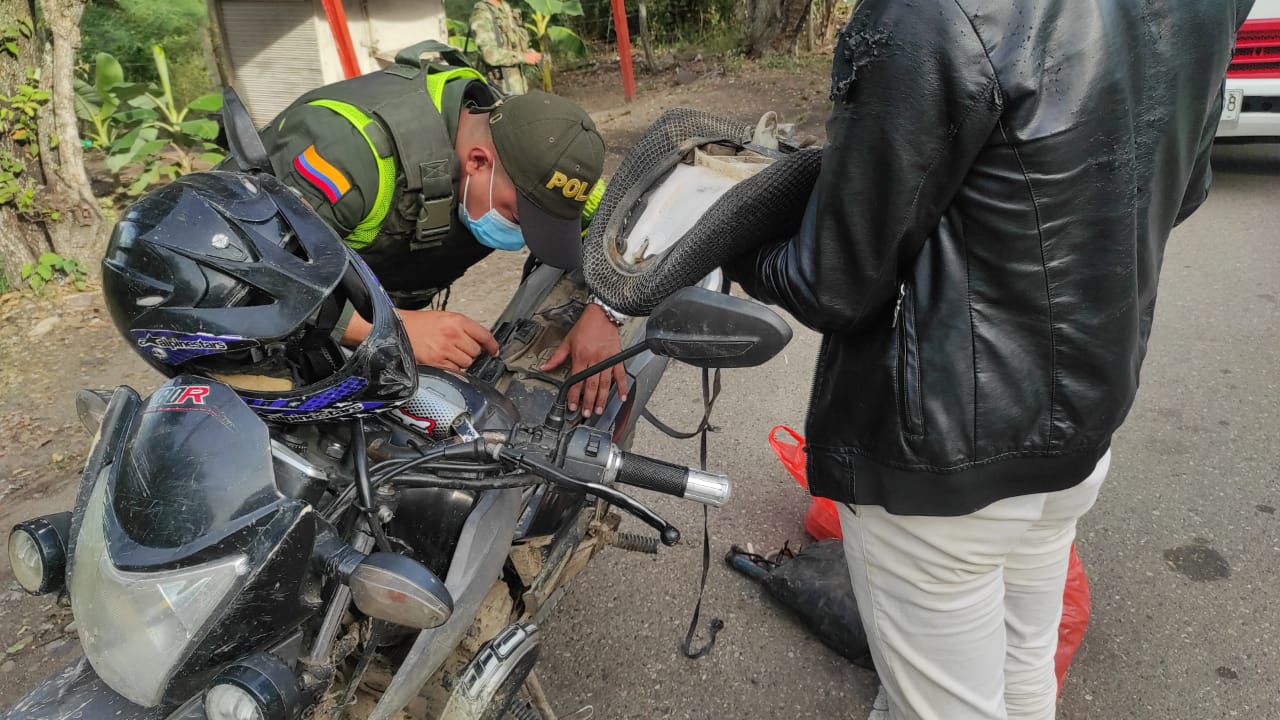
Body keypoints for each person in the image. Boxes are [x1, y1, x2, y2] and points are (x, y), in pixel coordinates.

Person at [726, 1, 1254, 718]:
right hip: (1081, 426)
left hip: (940, 461)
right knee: (1024, 670)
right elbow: (1182, 189)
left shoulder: (928, 11)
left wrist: (728, 232)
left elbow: (834, 282)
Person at [239, 41, 624, 418]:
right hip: (236, 322)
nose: (523, 238)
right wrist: (389, 329)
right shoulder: (355, 159)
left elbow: (624, 213)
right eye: (518, 217)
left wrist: (605, 311)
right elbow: (241, 270)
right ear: (477, 162)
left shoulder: (540, 154)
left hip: (358, 300)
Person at [470, 0, 542, 96]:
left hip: (518, 86)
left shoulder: (505, 7)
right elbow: (489, 54)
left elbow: (512, 44)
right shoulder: (482, 14)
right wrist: (523, 57)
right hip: (500, 91)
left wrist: (531, 55)